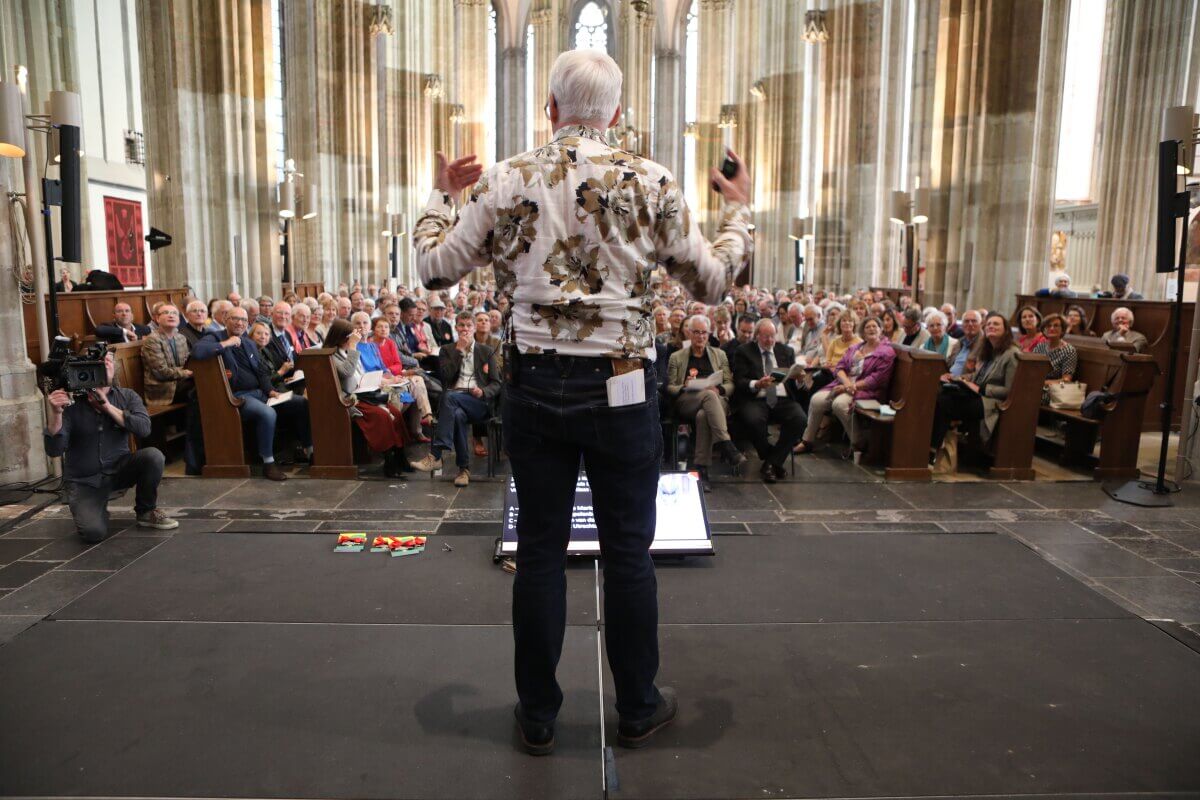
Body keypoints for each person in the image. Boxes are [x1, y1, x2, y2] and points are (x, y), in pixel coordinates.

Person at [413, 49, 753, 754]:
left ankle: (537, 716)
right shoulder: (651, 180)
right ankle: (637, 706)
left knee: (539, 553)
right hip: (624, 387)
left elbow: (433, 268)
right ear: (618, 114)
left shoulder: (508, 178)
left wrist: (442, 195)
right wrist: (738, 214)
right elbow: (715, 284)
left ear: (550, 108)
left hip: (536, 383)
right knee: (629, 552)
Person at [43, 350, 179, 541]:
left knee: (153, 456)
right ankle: (94, 509)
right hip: (84, 480)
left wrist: (107, 407)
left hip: (119, 469)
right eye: (97, 362)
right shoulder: (71, 403)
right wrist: (56, 413)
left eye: (107, 361)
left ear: (114, 368)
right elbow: (54, 450)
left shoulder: (127, 396)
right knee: (93, 533)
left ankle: (146, 511)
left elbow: (144, 428)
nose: (103, 365)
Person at [192, 307, 309, 481]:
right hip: (237, 396)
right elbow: (197, 352)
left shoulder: (248, 342)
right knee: (267, 413)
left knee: (301, 402)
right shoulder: (215, 337)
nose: (240, 323)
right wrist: (227, 343)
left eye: (244, 320)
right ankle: (268, 464)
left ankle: (311, 451)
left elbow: (261, 371)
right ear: (226, 320)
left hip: (260, 393)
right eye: (235, 319)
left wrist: (270, 390)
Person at [411, 312, 501, 487]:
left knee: (450, 398)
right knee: (457, 414)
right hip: (453, 401)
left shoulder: (486, 351)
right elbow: (446, 377)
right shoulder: (447, 350)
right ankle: (463, 470)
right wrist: (459, 352)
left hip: (478, 402)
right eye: (461, 325)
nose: (465, 329)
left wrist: (483, 391)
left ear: (474, 328)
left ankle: (436, 454)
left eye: (468, 325)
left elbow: (496, 383)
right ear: (456, 327)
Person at [324, 319, 414, 477]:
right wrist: (353, 346)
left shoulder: (346, 351)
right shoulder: (331, 355)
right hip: (348, 399)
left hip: (363, 393)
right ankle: (389, 461)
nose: (354, 339)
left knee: (396, 413)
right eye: (350, 337)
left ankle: (400, 456)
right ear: (341, 338)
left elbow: (359, 373)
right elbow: (346, 372)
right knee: (382, 416)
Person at [795, 316, 896, 456]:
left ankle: (858, 442)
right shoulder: (856, 347)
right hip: (845, 384)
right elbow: (840, 367)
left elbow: (876, 380)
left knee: (839, 405)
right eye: (868, 327)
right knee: (816, 399)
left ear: (880, 330)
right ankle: (807, 441)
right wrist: (847, 383)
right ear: (862, 331)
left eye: (875, 326)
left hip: (867, 390)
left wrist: (849, 387)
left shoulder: (886, 352)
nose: (871, 329)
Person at [666, 315, 746, 491]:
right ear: (689, 333)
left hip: (716, 401)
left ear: (709, 334)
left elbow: (729, 383)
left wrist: (721, 390)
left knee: (704, 415)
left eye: (703, 333)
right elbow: (670, 387)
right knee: (707, 396)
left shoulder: (720, 354)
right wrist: (684, 386)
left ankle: (701, 472)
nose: (700, 336)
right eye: (696, 332)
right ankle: (726, 444)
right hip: (688, 400)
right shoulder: (676, 357)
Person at [930, 312, 1020, 454]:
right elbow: (976, 376)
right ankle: (934, 446)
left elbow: (1011, 390)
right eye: (989, 324)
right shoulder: (989, 350)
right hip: (975, 394)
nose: (991, 326)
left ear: (1006, 330)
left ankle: (933, 448)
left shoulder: (1012, 353)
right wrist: (958, 378)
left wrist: (982, 389)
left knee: (944, 401)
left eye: (996, 324)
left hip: (991, 402)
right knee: (939, 393)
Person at [732, 319, 807, 484]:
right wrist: (757, 384)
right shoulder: (744, 351)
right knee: (753, 420)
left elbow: (795, 383)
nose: (770, 341)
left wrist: (800, 379)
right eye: (765, 337)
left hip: (781, 398)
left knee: (800, 419)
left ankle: (771, 463)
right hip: (756, 397)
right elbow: (739, 380)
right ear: (757, 335)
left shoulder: (785, 351)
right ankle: (774, 460)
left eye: (772, 336)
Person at [140, 304, 193, 406]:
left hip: (180, 383)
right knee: (197, 390)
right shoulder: (152, 340)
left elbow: (187, 364)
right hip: (163, 389)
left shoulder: (181, 338)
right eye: (166, 313)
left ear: (179, 319)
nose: (171, 315)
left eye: (174, 313)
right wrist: (187, 373)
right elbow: (161, 372)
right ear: (157, 318)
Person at [1032, 313, 1077, 383]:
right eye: (1048, 326)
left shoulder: (1069, 351)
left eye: (1056, 326)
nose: (1052, 328)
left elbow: (1066, 380)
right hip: (1035, 384)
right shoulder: (1040, 347)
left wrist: (1042, 383)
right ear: (1044, 330)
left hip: (1052, 389)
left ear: (1062, 330)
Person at [264, 301, 298, 379]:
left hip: (292, 378)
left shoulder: (287, 334)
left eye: (286, 314)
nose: (283, 316)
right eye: (279, 313)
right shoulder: (266, 334)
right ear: (271, 314)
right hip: (277, 381)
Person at [948, 309, 982, 376]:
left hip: (964, 383)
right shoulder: (959, 343)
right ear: (962, 325)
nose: (970, 324)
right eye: (966, 321)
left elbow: (981, 374)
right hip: (949, 381)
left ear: (980, 324)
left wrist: (960, 379)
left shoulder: (984, 344)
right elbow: (949, 364)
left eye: (974, 321)